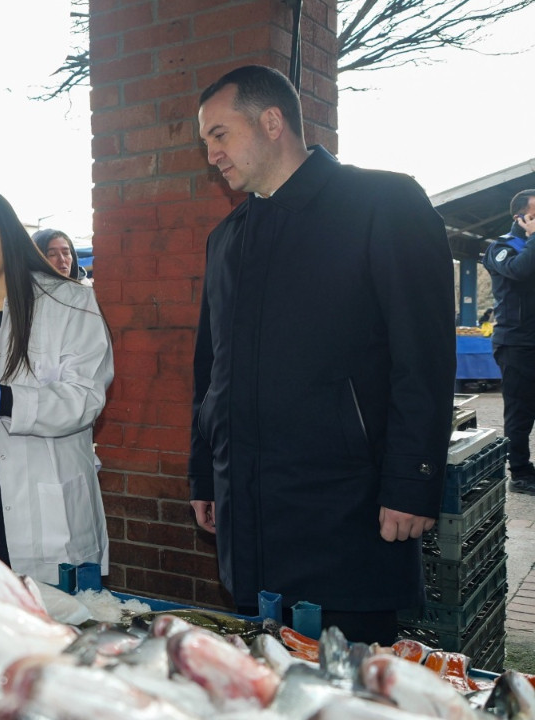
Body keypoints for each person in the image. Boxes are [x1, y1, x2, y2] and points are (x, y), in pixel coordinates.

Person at [189, 65, 454, 644]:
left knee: (348, 688)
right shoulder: (226, 238)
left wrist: (414, 482)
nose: (212, 154)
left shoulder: (383, 202)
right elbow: (211, 370)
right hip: (249, 513)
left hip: (346, 511)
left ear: (272, 121)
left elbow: (425, 356)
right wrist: (205, 474)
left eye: (219, 134)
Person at [0, 185, 113, 584]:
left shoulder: (69, 303)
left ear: (3, 231)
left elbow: (84, 399)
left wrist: (0, 398)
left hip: (51, 517)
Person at [483, 190, 535, 492]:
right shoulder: (502, 247)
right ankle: (519, 472)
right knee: (520, 410)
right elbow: (519, 270)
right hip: (516, 344)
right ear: (522, 217)